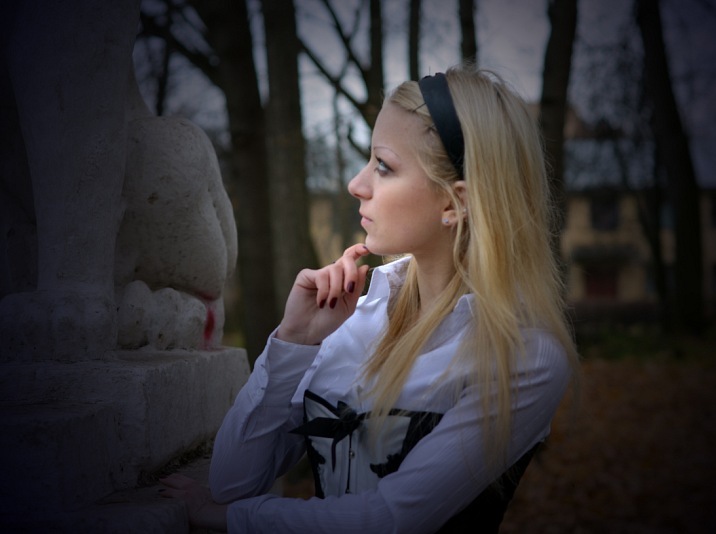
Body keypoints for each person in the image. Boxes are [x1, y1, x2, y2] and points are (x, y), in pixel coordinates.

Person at [160, 64, 580, 533]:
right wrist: (294, 341)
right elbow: (231, 481)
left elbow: (388, 520)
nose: (356, 185)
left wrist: (229, 519)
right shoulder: (356, 317)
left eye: (383, 165)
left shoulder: (524, 354)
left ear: (454, 203)